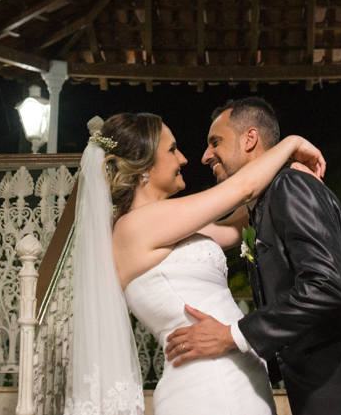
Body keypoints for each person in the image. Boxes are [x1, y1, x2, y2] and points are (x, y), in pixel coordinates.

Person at [164, 98, 341, 415]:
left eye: (215, 142)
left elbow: (326, 286)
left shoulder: (291, 186)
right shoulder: (260, 208)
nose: (205, 155)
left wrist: (232, 335)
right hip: (328, 389)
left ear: (250, 138)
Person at [64, 111, 326, 415]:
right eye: (173, 149)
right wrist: (291, 144)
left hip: (239, 379)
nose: (184, 159)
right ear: (144, 165)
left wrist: (289, 175)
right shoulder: (133, 227)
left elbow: (235, 226)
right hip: (208, 389)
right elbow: (241, 190)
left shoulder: (164, 225)